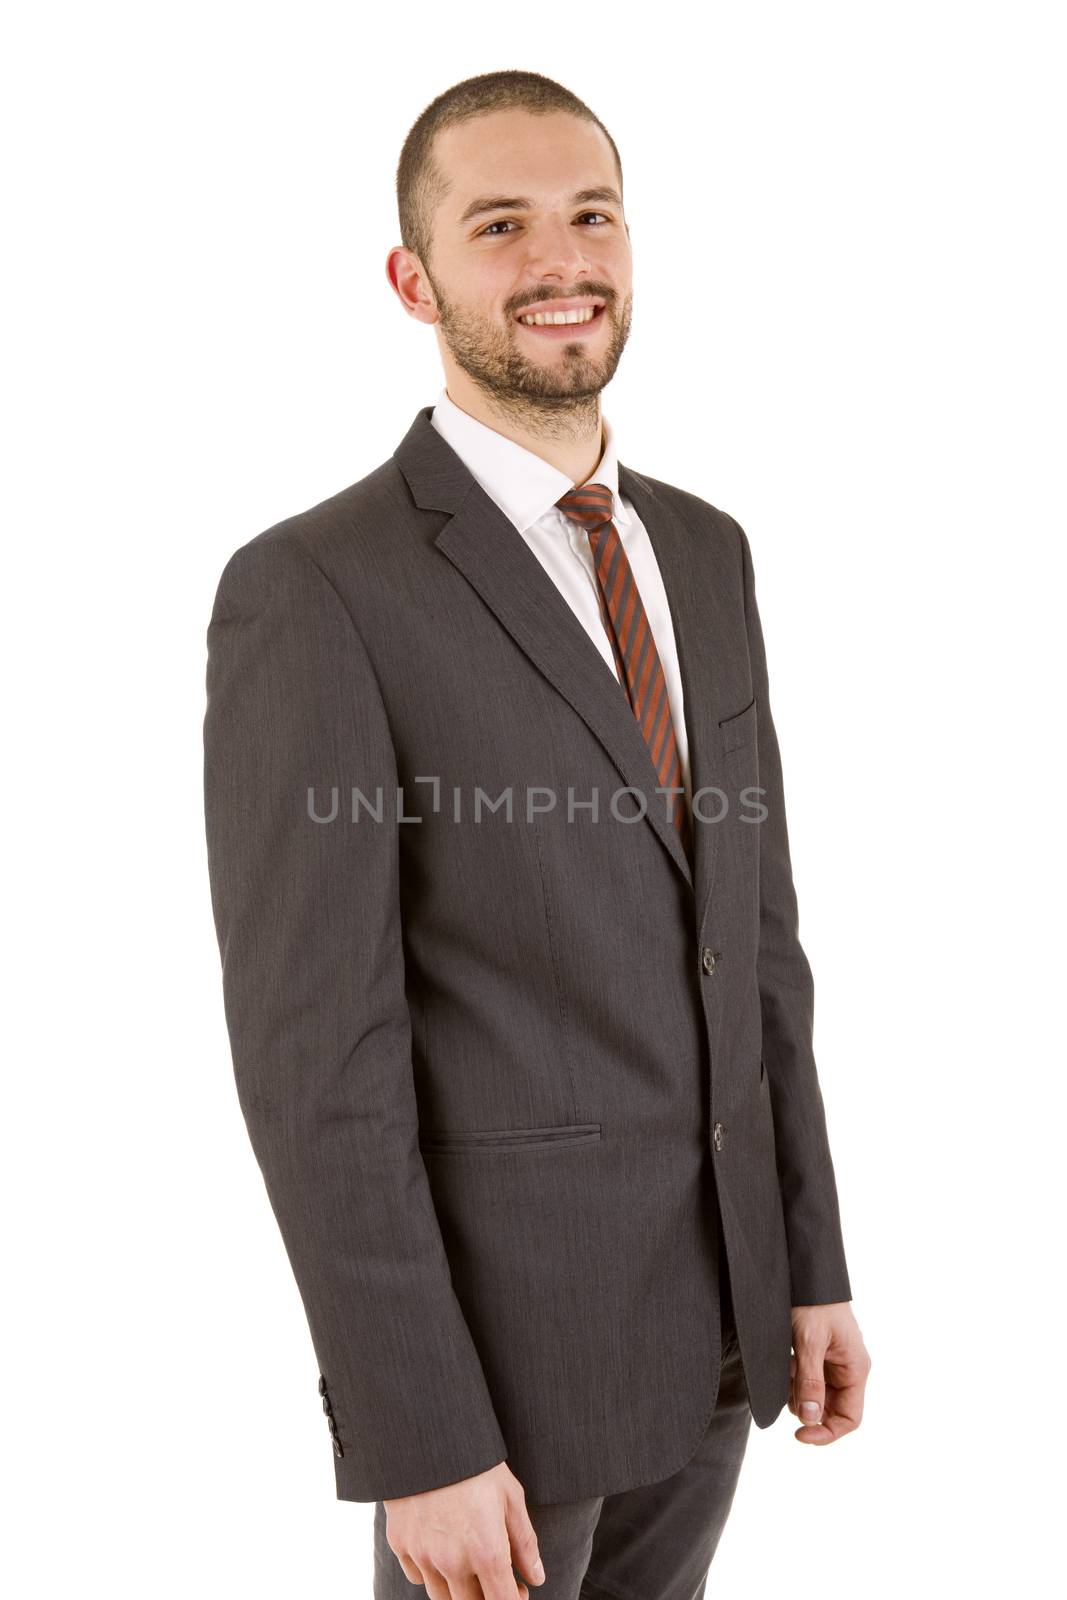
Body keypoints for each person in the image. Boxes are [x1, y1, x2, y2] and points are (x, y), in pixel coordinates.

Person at [203, 68, 871, 1600]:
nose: (559, 260)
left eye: (591, 216)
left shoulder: (703, 551)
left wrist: (808, 1260)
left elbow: (757, 941)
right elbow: (319, 1060)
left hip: (716, 1341)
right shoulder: (318, 591)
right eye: (499, 225)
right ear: (414, 279)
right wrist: (415, 1431)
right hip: (496, 1386)